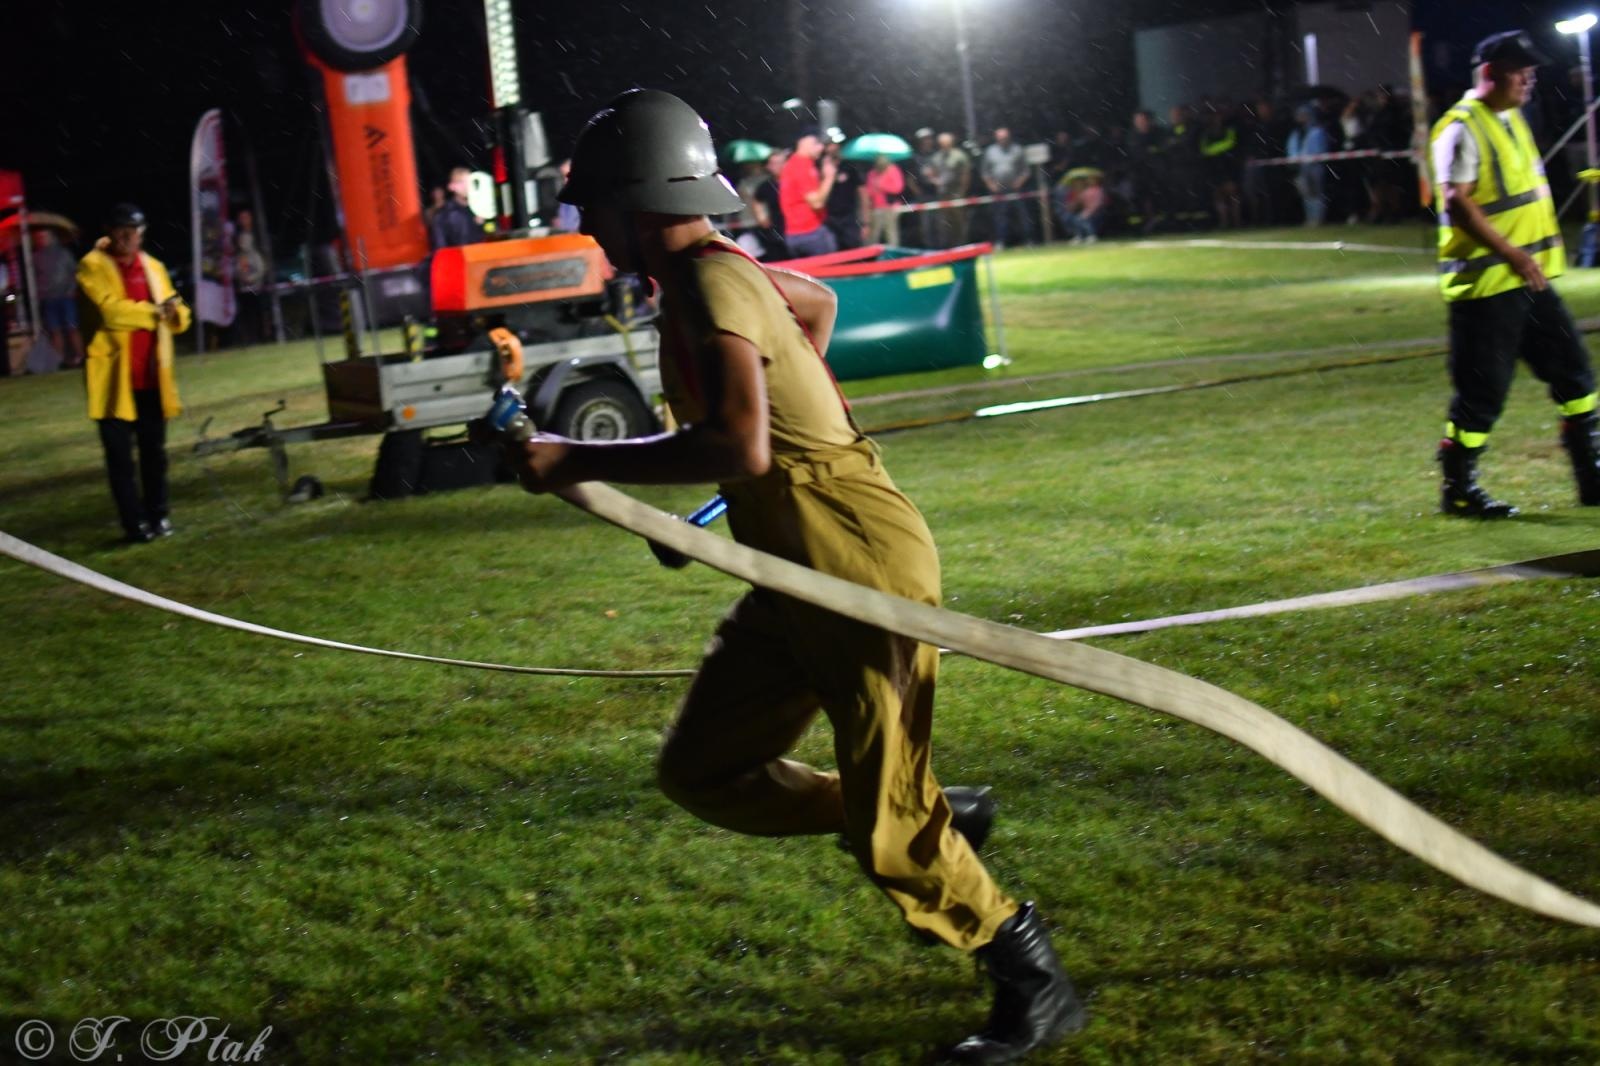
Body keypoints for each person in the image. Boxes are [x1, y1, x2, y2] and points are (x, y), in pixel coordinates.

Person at [525, 88, 1086, 1063]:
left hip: (855, 562)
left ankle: (1030, 978)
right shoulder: (717, 271)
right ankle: (927, 810)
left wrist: (572, 456)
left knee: (892, 833)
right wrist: (731, 504)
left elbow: (741, 441)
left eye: (594, 206)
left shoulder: (707, 283)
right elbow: (812, 315)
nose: (589, 228)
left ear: (636, 199)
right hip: (791, 566)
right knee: (702, 769)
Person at [1430, 30, 1600, 516]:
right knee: (1483, 393)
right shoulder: (1462, 126)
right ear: (1489, 74)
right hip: (1489, 285)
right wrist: (1514, 254)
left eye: (1530, 72)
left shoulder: (1509, 119)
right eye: (1520, 72)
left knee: (1576, 372)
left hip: (1528, 279)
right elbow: (1456, 201)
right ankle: (1459, 487)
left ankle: (1591, 474)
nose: (1529, 80)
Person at [76, 203, 192, 543]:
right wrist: (159, 312)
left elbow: (177, 309)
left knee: (155, 454)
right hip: (114, 380)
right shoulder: (91, 265)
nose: (128, 236)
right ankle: (134, 524)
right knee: (120, 460)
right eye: (121, 229)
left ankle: (159, 516)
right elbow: (111, 313)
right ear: (109, 231)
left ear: (142, 232)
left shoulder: (153, 266)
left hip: (152, 378)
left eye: (134, 229)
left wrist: (176, 313)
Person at [778, 129, 838, 258]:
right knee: (829, 275)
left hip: (794, 233)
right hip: (810, 233)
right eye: (817, 143)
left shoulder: (795, 163)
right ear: (804, 142)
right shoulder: (801, 165)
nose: (821, 147)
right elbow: (817, 203)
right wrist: (829, 177)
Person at [33, 228, 86, 367]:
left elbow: (75, 273)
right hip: (49, 298)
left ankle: (81, 357)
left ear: (52, 237)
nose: (41, 239)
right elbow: (35, 278)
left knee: (72, 327)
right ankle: (60, 361)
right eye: (39, 237)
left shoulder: (64, 253)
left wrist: (72, 290)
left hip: (66, 297)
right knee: (55, 330)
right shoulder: (36, 257)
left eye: (44, 236)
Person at [979, 127, 1034, 249]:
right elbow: (985, 172)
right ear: (996, 138)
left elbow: (1025, 170)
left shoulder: (1017, 149)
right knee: (1000, 217)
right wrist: (991, 185)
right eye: (1000, 138)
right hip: (998, 191)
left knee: (1023, 216)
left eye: (1005, 138)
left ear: (1009, 137)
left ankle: (1028, 240)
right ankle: (1001, 241)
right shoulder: (990, 151)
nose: (1003, 140)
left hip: (1016, 190)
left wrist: (1020, 182)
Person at [1286, 105, 1331, 225]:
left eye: (1304, 115)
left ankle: (1318, 219)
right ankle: (1310, 218)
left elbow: (1321, 148)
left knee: (1317, 193)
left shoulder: (1317, 131)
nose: (1301, 117)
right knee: (1305, 194)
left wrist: (1311, 158)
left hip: (1315, 166)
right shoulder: (1296, 133)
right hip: (1301, 167)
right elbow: (1292, 149)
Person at [929, 131, 973, 248]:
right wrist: (935, 181)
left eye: (946, 142)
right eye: (941, 143)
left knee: (959, 221)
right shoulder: (936, 157)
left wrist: (963, 191)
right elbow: (931, 173)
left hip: (956, 193)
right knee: (944, 222)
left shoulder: (959, 156)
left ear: (951, 142)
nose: (944, 145)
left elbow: (965, 174)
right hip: (942, 194)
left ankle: (962, 245)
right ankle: (948, 247)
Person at [429, 167, 483, 249]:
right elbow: (440, 249)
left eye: (469, 182)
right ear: (452, 186)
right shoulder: (443, 215)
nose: (467, 186)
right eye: (461, 182)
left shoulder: (480, 209)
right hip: (456, 259)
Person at [864, 153, 906, 246]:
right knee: (874, 234)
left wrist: (882, 186)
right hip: (875, 208)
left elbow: (898, 188)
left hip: (890, 207)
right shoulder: (872, 173)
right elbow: (868, 191)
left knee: (890, 233)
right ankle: (872, 256)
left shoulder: (893, 170)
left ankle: (893, 255)